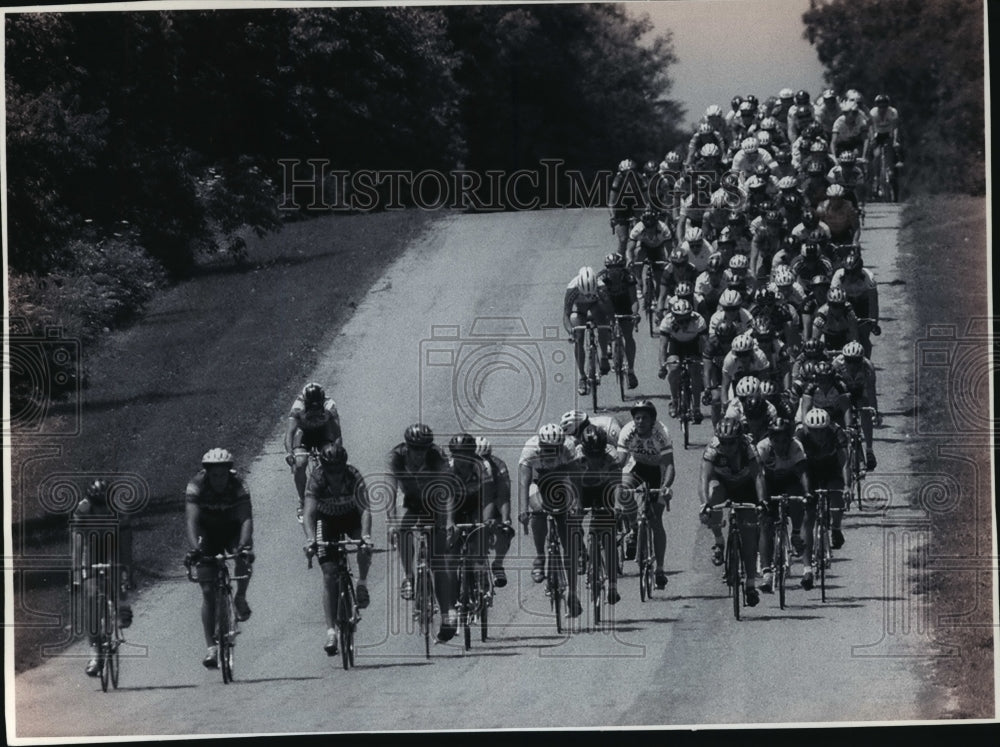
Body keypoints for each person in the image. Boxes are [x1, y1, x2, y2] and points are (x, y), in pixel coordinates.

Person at [386, 424, 459, 642]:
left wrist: (451, 522)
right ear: (407, 446)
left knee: (438, 562)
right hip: (409, 499)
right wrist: (391, 522)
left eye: (423, 449)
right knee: (401, 529)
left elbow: (448, 491)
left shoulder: (436, 457)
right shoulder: (397, 457)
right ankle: (409, 577)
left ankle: (446, 615)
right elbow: (390, 490)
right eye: (415, 449)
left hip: (433, 501)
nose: (419, 453)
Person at [184, 448, 254, 668]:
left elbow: (245, 519)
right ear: (207, 474)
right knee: (207, 592)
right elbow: (192, 521)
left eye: (223, 474)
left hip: (232, 529)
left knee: (243, 555)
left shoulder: (239, 485)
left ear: (229, 472)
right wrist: (196, 549)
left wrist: (243, 545)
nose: (219, 480)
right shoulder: (196, 486)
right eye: (214, 475)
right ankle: (211, 648)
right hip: (208, 533)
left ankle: (240, 596)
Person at [303, 443, 372, 656]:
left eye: (338, 469)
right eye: (330, 470)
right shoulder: (317, 479)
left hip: (351, 516)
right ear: (324, 468)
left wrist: (366, 536)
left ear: (344, 466)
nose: (334, 475)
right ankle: (331, 631)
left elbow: (365, 510)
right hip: (328, 521)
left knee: (364, 544)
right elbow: (309, 514)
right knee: (329, 575)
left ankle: (361, 583)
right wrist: (310, 539)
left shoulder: (353, 476)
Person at [698, 418, 767, 605]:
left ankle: (751, 585)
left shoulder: (748, 447)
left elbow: (758, 475)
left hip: (745, 486)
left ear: (739, 439)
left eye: (731, 442)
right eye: (724, 442)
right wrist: (705, 504)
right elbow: (704, 478)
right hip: (722, 482)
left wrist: (761, 501)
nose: (727, 446)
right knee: (714, 494)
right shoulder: (713, 448)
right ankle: (719, 540)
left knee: (750, 538)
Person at [518, 423, 582, 617]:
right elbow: (524, 483)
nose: (550, 453)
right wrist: (523, 511)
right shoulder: (530, 450)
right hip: (538, 482)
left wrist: (577, 503)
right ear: (540, 444)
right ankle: (540, 557)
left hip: (561, 482)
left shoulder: (568, 448)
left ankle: (572, 593)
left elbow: (576, 478)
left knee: (567, 540)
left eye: (554, 449)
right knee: (537, 510)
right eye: (547, 449)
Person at [72, 479, 134, 677]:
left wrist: (128, 572)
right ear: (90, 502)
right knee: (91, 596)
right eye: (97, 506)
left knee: (118, 570)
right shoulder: (82, 511)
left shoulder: (119, 510)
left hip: (113, 544)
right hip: (92, 549)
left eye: (103, 506)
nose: (100, 510)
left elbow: (125, 545)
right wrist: (76, 575)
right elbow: (78, 546)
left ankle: (122, 604)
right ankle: (95, 654)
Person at [617, 400, 675, 589]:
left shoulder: (661, 433)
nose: (640, 421)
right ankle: (634, 528)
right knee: (623, 491)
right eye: (637, 418)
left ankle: (660, 568)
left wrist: (665, 486)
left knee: (656, 519)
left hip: (658, 471)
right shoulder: (627, 431)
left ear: (652, 420)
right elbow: (620, 463)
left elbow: (669, 465)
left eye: (644, 418)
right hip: (638, 466)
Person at [570, 426, 624, 604]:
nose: (594, 459)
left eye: (598, 455)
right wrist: (577, 504)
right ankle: (580, 552)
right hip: (582, 489)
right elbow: (573, 483)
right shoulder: (576, 456)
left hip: (604, 490)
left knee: (607, 534)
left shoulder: (611, 455)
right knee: (572, 520)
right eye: (591, 455)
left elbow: (617, 483)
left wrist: (617, 504)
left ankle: (613, 586)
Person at [795, 408, 851, 566]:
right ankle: (807, 566)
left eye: (822, 431)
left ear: (828, 428)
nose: (819, 435)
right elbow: (795, 464)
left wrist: (847, 486)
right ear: (808, 429)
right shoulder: (799, 435)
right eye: (814, 431)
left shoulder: (837, 433)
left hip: (831, 467)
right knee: (809, 515)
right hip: (809, 470)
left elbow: (845, 463)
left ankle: (836, 527)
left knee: (837, 496)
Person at [284, 382, 343, 523]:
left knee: (330, 459)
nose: (315, 410)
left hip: (323, 431)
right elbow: (289, 434)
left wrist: (337, 452)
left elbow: (337, 433)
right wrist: (289, 453)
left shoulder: (330, 406)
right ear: (306, 402)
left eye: (318, 406)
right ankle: (302, 501)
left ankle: (331, 494)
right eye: (312, 407)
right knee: (300, 464)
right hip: (304, 433)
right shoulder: (298, 407)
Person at [563, 266, 615, 396]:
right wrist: (571, 332)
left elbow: (609, 310)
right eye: (585, 293)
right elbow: (566, 314)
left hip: (596, 306)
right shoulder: (572, 289)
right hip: (579, 309)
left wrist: (610, 325)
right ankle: (582, 376)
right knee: (578, 337)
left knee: (602, 321)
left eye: (590, 293)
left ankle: (603, 356)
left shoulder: (601, 287)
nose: (587, 295)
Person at [657, 298, 708, 421]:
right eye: (680, 320)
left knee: (695, 372)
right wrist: (662, 366)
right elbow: (663, 347)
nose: (684, 323)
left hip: (693, 345)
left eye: (686, 318)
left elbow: (705, 344)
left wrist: (706, 362)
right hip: (676, 345)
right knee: (674, 369)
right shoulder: (667, 321)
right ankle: (674, 400)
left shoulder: (698, 320)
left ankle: (696, 407)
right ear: (674, 317)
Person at [833, 341, 879, 470]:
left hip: (859, 392)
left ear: (862, 360)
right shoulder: (836, 364)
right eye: (849, 361)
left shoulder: (868, 367)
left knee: (865, 408)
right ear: (844, 359)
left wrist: (874, 411)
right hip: (843, 392)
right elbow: (832, 388)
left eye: (856, 361)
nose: (852, 365)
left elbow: (871, 392)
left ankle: (869, 450)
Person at [597, 252, 641, 389]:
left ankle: (631, 370)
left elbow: (634, 299)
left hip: (624, 305)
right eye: (611, 267)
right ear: (607, 268)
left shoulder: (628, 277)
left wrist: (635, 314)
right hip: (607, 304)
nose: (614, 270)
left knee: (628, 335)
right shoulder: (601, 278)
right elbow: (599, 301)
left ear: (622, 268)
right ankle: (608, 345)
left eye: (617, 267)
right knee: (604, 327)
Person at [831, 250, 881, 358]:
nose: (850, 276)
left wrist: (873, 322)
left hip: (863, 304)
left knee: (863, 337)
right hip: (844, 304)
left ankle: (866, 362)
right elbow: (832, 300)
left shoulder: (869, 277)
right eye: (847, 272)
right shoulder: (838, 276)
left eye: (854, 273)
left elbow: (873, 302)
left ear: (860, 271)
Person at [720, 333, 771, 407]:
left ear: (751, 352)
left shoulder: (760, 356)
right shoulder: (729, 360)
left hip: (757, 386)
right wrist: (725, 404)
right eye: (740, 354)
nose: (743, 357)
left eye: (746, 353)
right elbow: (725, 386)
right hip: (736, 385)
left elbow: (765, 382)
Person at [609, 159, 644, 256]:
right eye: (625, 174)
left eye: (631, 173)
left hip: (636, 207)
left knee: (638, 238)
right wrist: (612, 216)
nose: (629, 176)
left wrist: (644, 213)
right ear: (621, 174)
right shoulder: (618, 180)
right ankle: (619, 261)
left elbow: (646, 199)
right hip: (621, 209)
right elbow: (611, 202)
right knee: (623, 239)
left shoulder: (640, 179)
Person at [868, 93, 903, 168]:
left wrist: (895, 140)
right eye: (880, 106)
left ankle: (898, 161)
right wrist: (872, 139)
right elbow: (870, 127)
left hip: (889, 133)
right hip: (877, 133)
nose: (882, 109)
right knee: (873, 151)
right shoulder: (873, 113)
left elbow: (895, 127)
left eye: (884, 106)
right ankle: (870, 168)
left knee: (895, 146)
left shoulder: (893, 112)